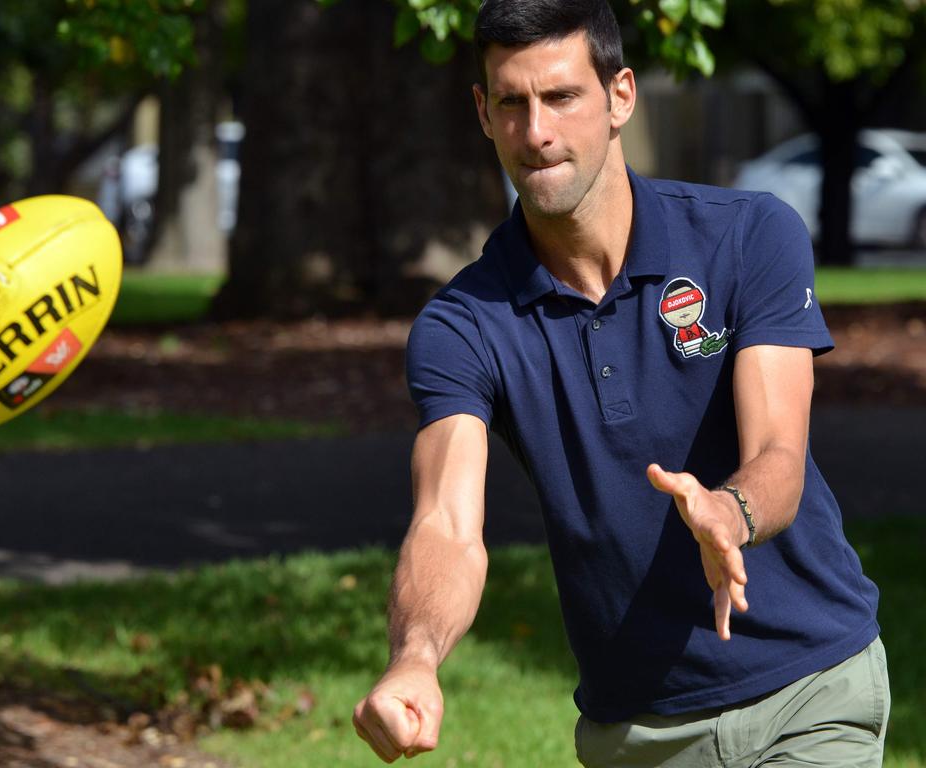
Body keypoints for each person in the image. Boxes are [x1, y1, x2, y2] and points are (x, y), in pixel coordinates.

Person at [352, 0, 889, 765]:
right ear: (482, 111)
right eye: (511, 102)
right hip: (635, 733)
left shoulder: (748, 236)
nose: (536, 133)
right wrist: (415, 656)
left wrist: (728, 513)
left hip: (809, 689)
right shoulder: (461, 325)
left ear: (620, 97)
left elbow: (778, 451)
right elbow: (446, 525)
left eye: (562, 97)